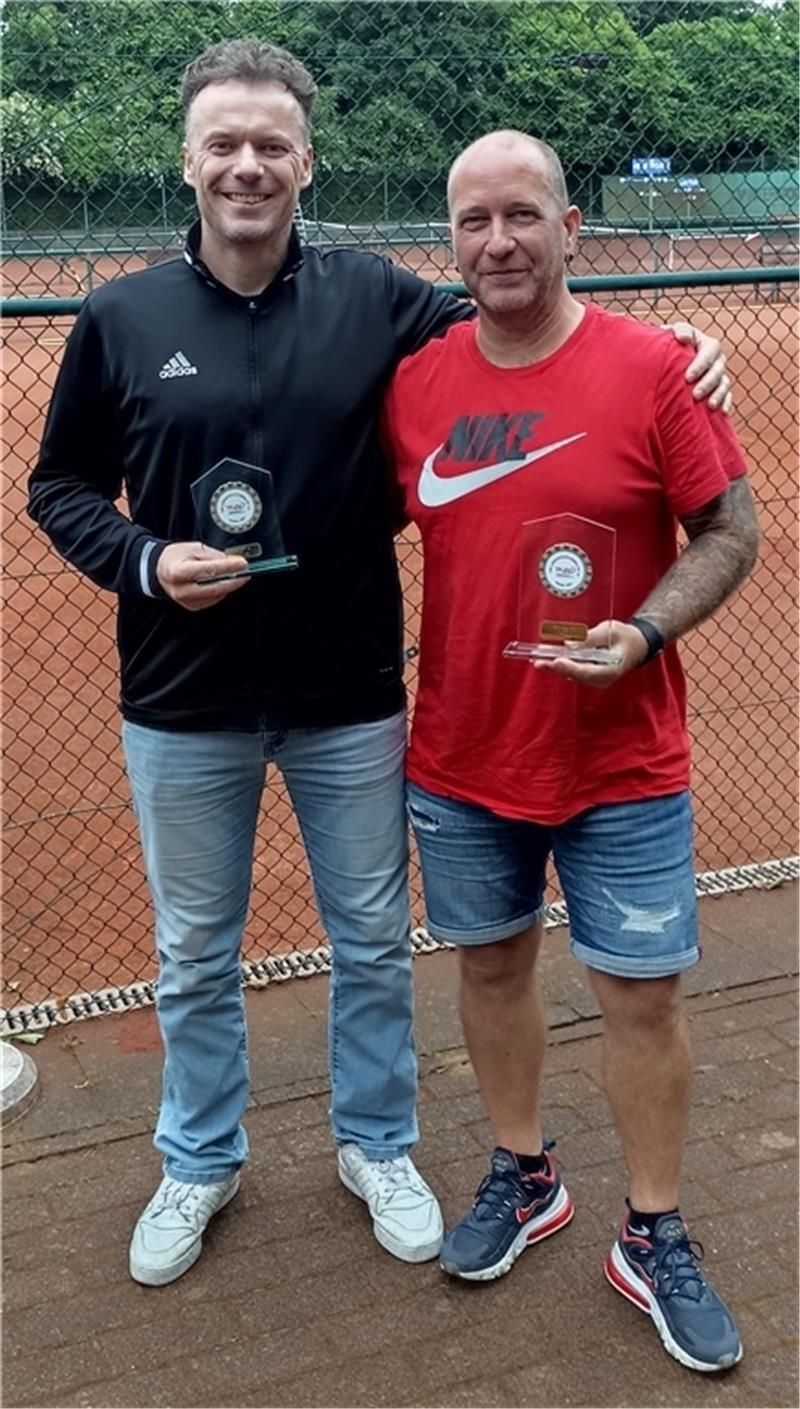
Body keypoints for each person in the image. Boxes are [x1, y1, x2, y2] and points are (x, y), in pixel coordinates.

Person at [28, 41, 731, 1291]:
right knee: (194, 951)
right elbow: (59, 486)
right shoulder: (120, 314)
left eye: (271, 144)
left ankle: (377, 1143)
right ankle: (199, 1156)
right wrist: (140, 558)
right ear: (188, 161)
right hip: (180, 699)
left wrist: (678, 341)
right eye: (224, 143)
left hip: (348, 696)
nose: (247, 165)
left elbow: (531, 318)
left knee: (367, 939)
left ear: (307, 162)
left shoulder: (381, 298)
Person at [382, 130, 759, 1374]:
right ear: (449, 238)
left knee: (641, 997)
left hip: (620, 760)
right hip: (462, 755)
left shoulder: (653, 368)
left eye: (520, 215)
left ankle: (652, 1229)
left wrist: (644, 631)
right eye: (472, 220)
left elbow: (728, 531)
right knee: (490, 969)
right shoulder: (413, 384)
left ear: (569, 226)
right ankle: (523, 1169)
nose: (497, 241)